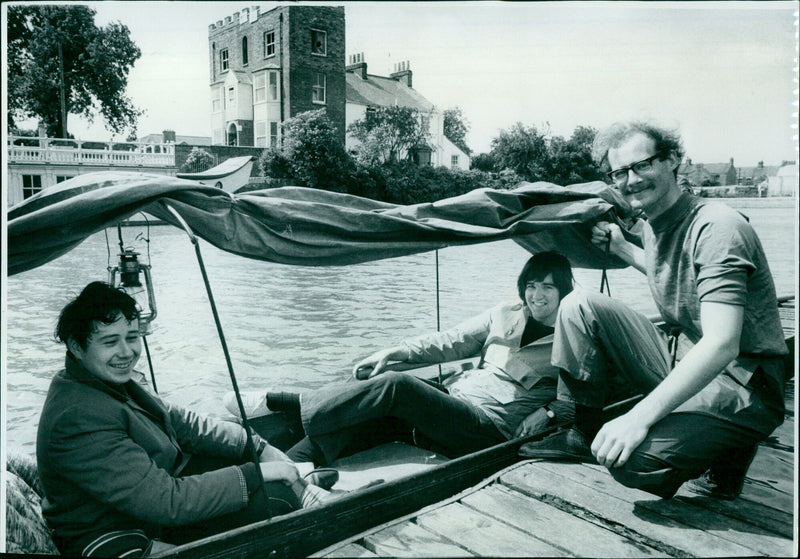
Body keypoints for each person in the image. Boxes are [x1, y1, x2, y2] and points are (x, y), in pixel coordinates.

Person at [521, 121, 787, 500]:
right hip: (683, 357)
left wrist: (636, 417)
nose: (630, 180)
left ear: (674, 160)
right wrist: (623, 249)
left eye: (642, 165)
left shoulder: (719, 227)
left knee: (631, 462)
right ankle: (580, 429)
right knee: (579, 304)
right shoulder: (651, 225)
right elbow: (675, 272)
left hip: (744, 382)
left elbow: (722, 343)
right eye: (619, 172)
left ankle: (728, 446)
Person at [37, 282, 332, 558]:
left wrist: (255, 445)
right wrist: (258, 473)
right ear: (76, 346)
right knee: (275, 498)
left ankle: (297, 476)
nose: (126, 352)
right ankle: (298, 483)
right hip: (123, 533)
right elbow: (167, 501)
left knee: (258, 469)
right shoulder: (76, 417)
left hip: (144, 506)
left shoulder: (106, 381)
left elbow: (184, 423)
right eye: (110, 341)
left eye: (132, 337)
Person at [226, 251, 576, 467]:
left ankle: (293, 401)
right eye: (531, 285)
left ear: (563, 292)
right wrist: (394, 353)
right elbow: (448, 342)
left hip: (490, 427)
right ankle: (292, 464)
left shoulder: (572, 336)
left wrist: (545, 412)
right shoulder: (504, 313)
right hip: (452, 400)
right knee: (371, 400)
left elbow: (586, 397)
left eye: (548, 287)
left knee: (396, 386)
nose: (537, 295)